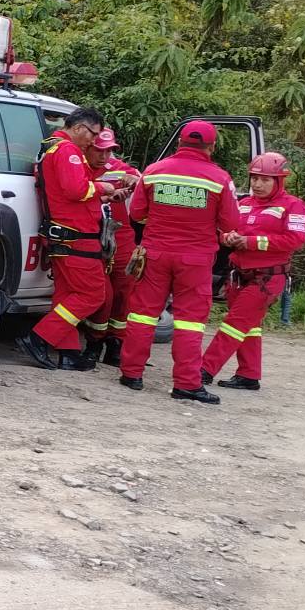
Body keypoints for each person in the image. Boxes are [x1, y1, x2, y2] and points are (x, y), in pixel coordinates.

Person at [120, 120, 243, 403]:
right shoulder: (220, 179)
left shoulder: (153, 171)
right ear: (211, 147)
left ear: (179, 144)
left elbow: (136, 214)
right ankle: (186, 383)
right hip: (196, 260)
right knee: (189, 322)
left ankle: (131, 374)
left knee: (142, 314)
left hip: (155, 254)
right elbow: (230, 223)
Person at [17, 107, 117, 370]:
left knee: (65, 296)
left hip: (62, 234)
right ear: (80, 128)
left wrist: (99, 193)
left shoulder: (51, 147)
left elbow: (65, 191)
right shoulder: (67, 150)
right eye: (93, 135)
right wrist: (102, 187)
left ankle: (69, 352)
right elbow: (75, 190)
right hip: (75, 236)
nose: (93, 142)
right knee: (93, 295)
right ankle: (38, 337)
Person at [201, 152, 305, 390]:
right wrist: (227, 237)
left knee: (234, 323)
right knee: (248, 326)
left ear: (279, 180)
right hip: (238, 274)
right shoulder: (243, 204)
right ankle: (249, 375)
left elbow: (296, 239)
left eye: (265, 179)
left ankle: (204, 370)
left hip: (268, 276)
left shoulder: (293, 206)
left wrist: (251, 242)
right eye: (254, 178)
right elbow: (224, 229)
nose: (258, 184)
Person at [83, 129, 140, 366]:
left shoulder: (119, 169)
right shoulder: (77, 167)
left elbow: (145, 182)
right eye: (100, 150)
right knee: (101, 294)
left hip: (121, 235)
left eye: (109, 150)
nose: (105, 156)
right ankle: (94, 342)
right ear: (87, 147)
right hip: (91, 234)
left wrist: (136, 181)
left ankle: (116, 343)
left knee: (124, 291)